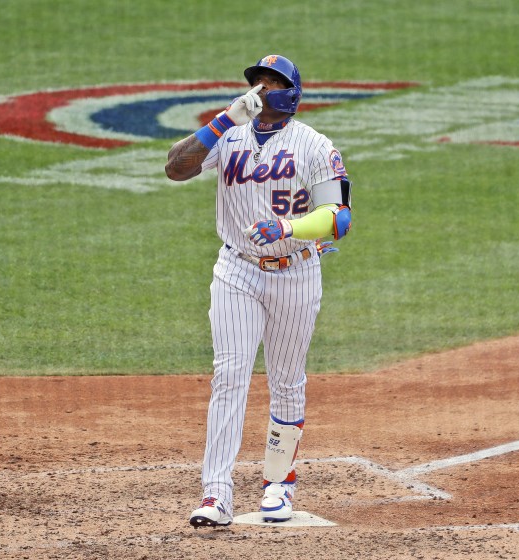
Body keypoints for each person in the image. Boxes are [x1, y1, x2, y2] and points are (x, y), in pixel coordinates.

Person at [165, 55, 353, 527]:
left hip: (296, 271)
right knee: (230, 374)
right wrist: (223, 119)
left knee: (286, 381)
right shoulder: (228, 135)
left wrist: (287, 227)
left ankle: (278, 484)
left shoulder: (314, 145)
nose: (262, 90)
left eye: (273, 82)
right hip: (237, 270)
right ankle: (216, 493)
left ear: (291, 94)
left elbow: (338, 218)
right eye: (257, 82)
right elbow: (175, 168)